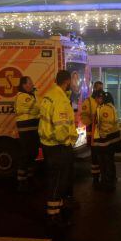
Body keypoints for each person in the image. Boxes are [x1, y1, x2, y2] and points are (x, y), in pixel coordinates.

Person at [39, 70, 78, 227]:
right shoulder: (60, 99)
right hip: (58, 146)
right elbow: (61, 127)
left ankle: (58, 209)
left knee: (54, 178)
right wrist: (67, 142)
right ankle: (53, 216)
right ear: (67, 82)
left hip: (48, 144)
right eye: (72, 81)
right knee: (58, 181)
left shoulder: (49, 95)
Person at [92, 90, 121, 191]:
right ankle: (110, 180)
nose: (96, 100)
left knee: (105, 162)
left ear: (101, 98)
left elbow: (106, 123)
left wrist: (102, 134)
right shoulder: (107, 107)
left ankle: (107, 182)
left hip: (105, 141)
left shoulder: (105, 108)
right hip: (109, 140)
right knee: (108, 161)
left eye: (97, 98)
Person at [14, 76, 40, 192]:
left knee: (32, 153)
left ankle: (29, 177)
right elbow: (37, 109)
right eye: (30, 83)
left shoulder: (30, 95)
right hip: (26, 130)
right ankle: (21, 181)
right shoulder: (22, 96)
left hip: (32, 129)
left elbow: (36, 109)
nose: (32, 84)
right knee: (25, 154)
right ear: (24, 85)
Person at [81, 81, 104, 185]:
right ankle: (95, 178)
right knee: (95, 157)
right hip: (93, 135)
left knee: (103, 157)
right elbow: (84, 117)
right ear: (94, 88)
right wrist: (93, 121)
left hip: (102, 135)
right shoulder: (89, 101)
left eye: (102, 88)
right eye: (99, 88)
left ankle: (104, 177)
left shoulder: (103, 100)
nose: (101, 90)